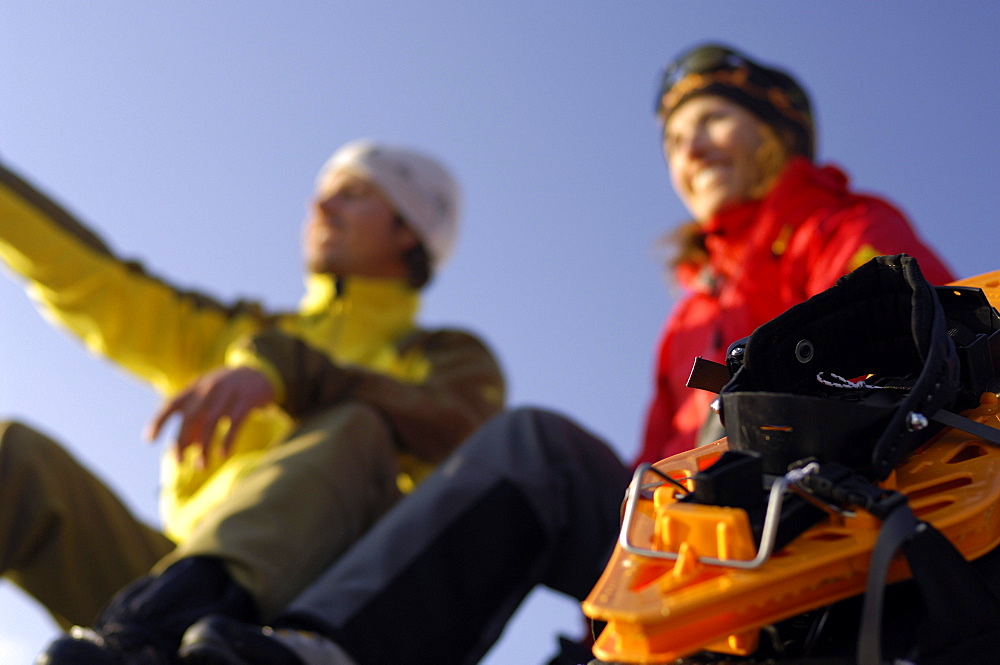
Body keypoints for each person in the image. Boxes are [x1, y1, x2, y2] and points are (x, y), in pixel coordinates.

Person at [45, 43, 956, 665]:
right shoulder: (688, 316)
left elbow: (919, 347)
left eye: (712, 123)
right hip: (700, 529)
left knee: (532, 444)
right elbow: (656, 469)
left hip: (827, 505)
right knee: (563, 459)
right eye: (675, 141)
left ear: (775, 130)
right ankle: (314, 648)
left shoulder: (843, 226)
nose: (689, 150)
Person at [0, 140, 505, 660]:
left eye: (352, 195)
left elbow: (462, 431)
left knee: (357, 426)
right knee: (13, 457)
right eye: (323, 195)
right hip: (157, 593)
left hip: (314, 618)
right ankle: (154, 629)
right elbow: (94, 282)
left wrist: (288, 373)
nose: (320, 208)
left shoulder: (443, 356)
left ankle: (160, 632)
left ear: (408, 231)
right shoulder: (238, 334)